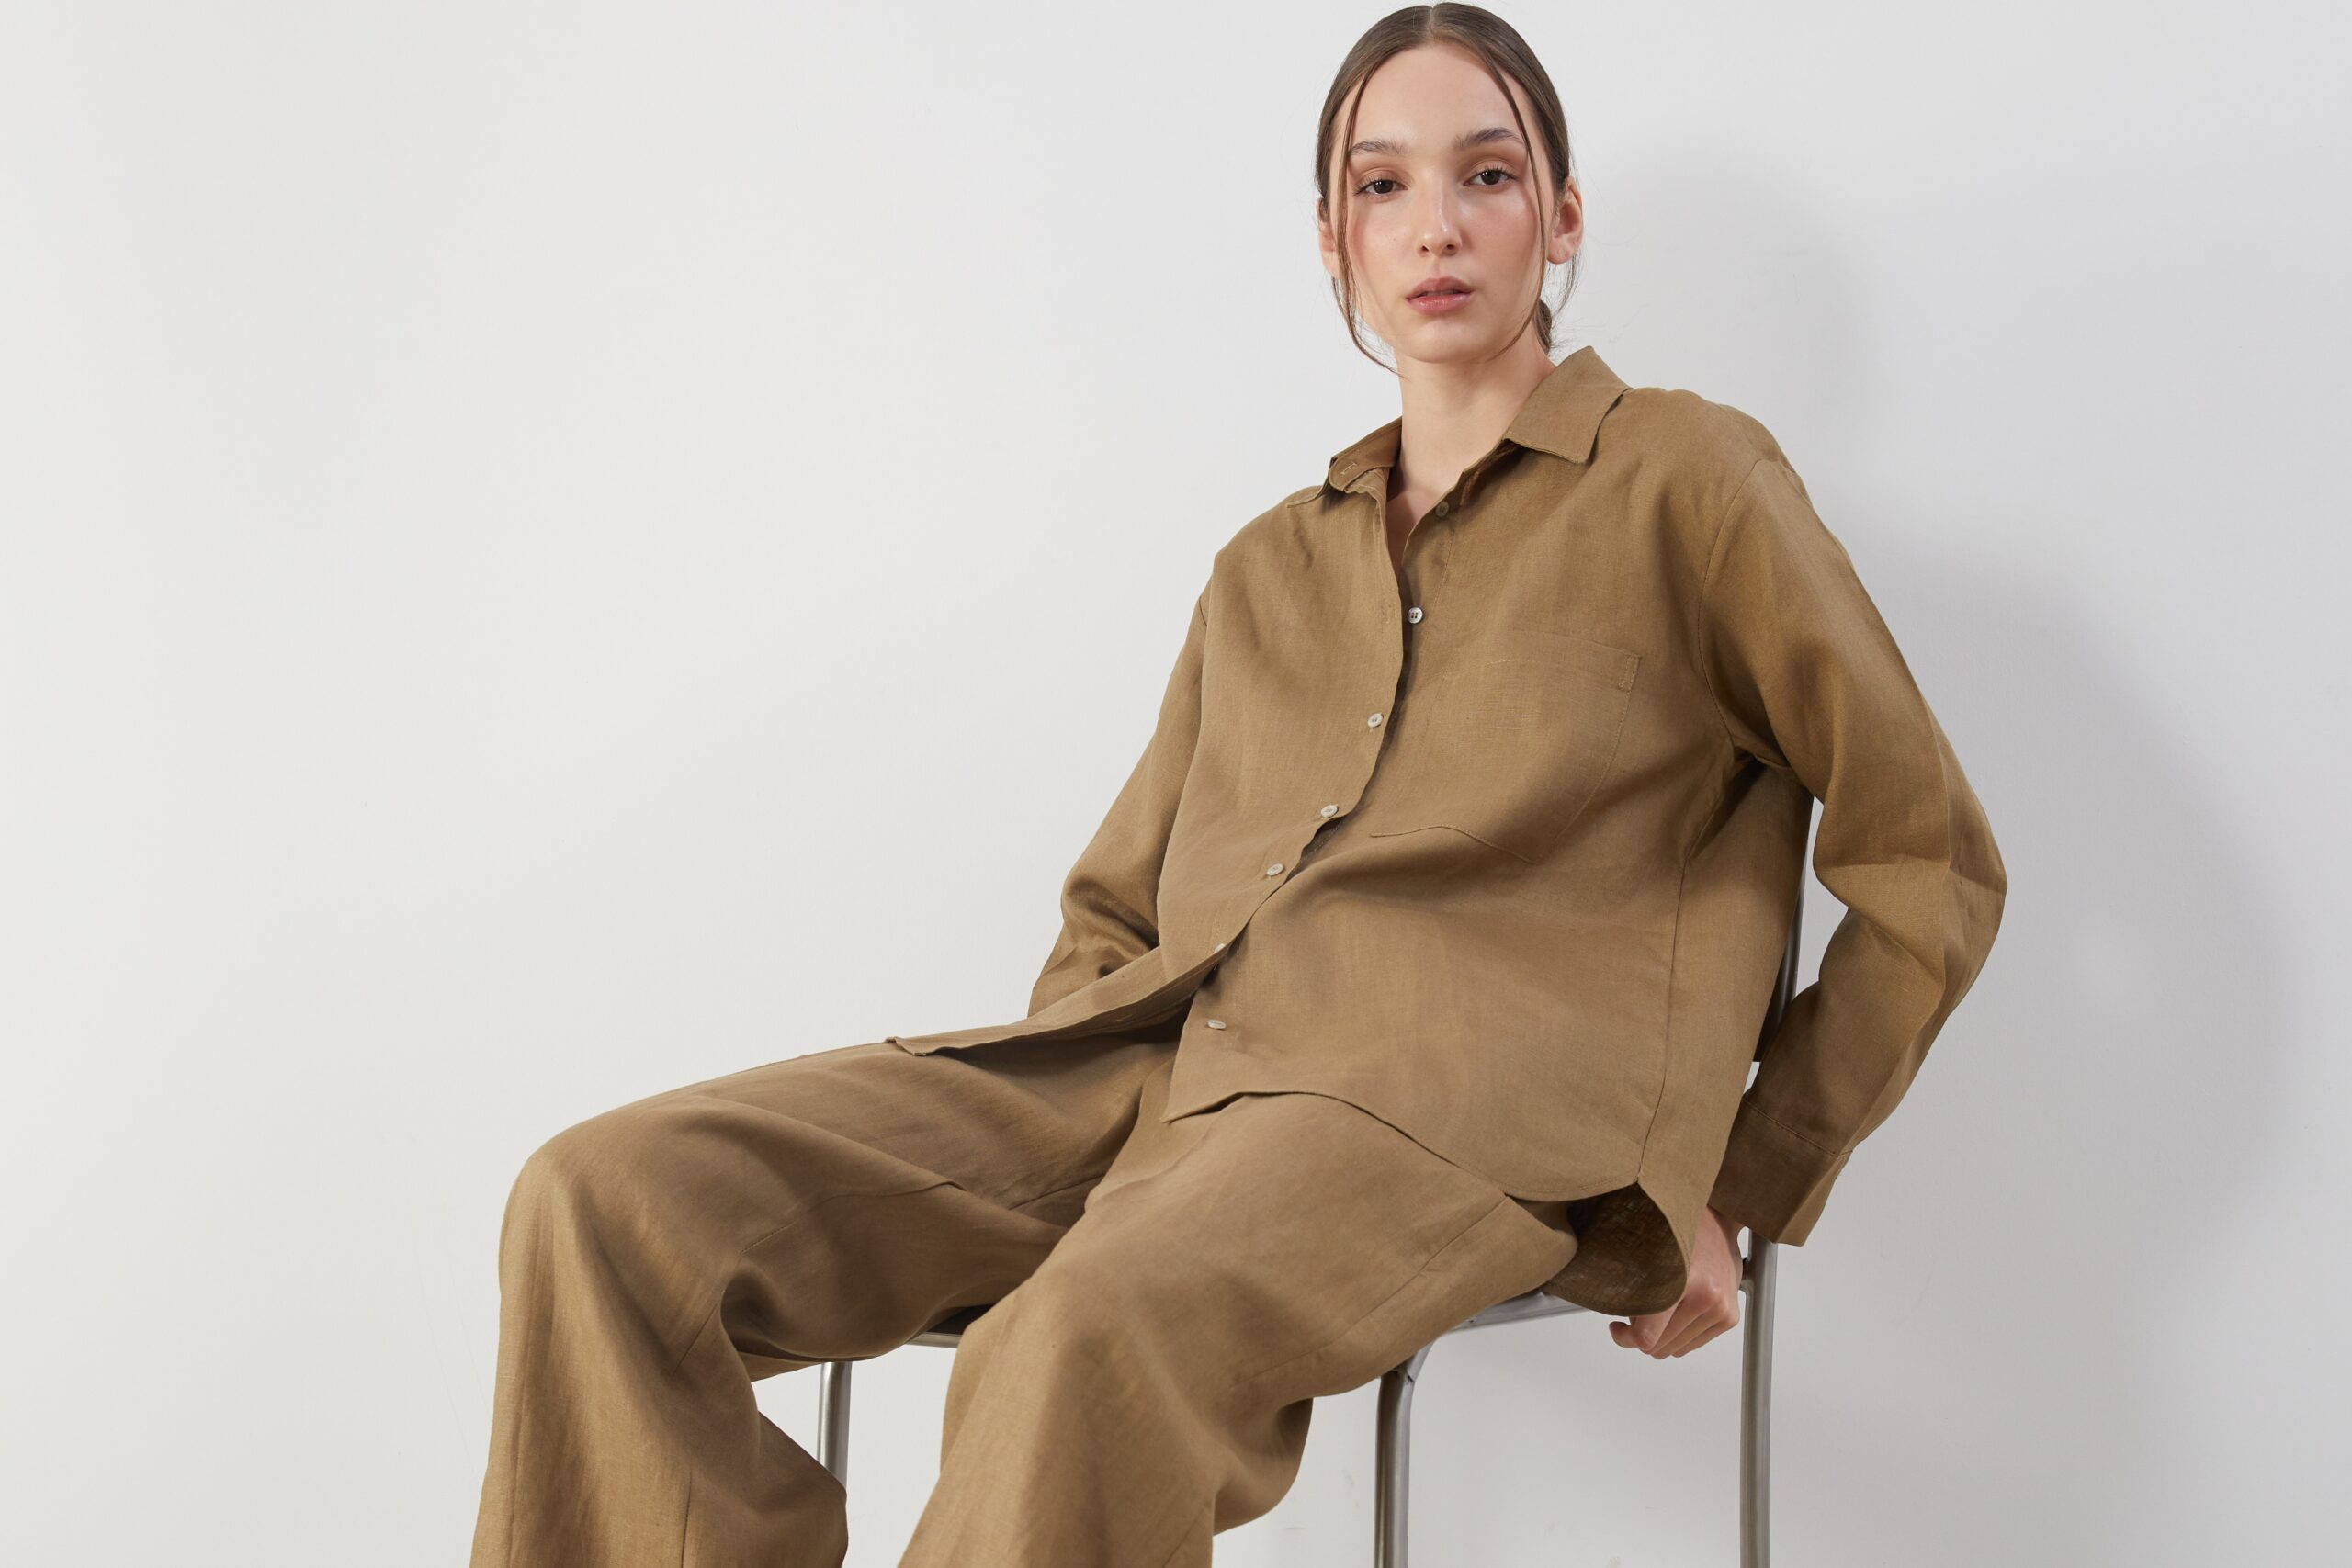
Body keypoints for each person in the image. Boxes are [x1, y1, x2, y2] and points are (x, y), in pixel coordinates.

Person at [466, 6, 2008, 1565]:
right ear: (1335, 241)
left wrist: (1742, 1179)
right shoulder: (1270, 566)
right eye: (1383, 186)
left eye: (1485, 175)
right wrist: (1059, 1167)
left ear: (1560, 218)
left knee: (1077, 1337)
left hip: (1445, 1121)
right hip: (1152, 1076)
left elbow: (1929, 861)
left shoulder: (1689, 480)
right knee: (606, 1202)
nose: (1436, 226)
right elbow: (1116, 907)